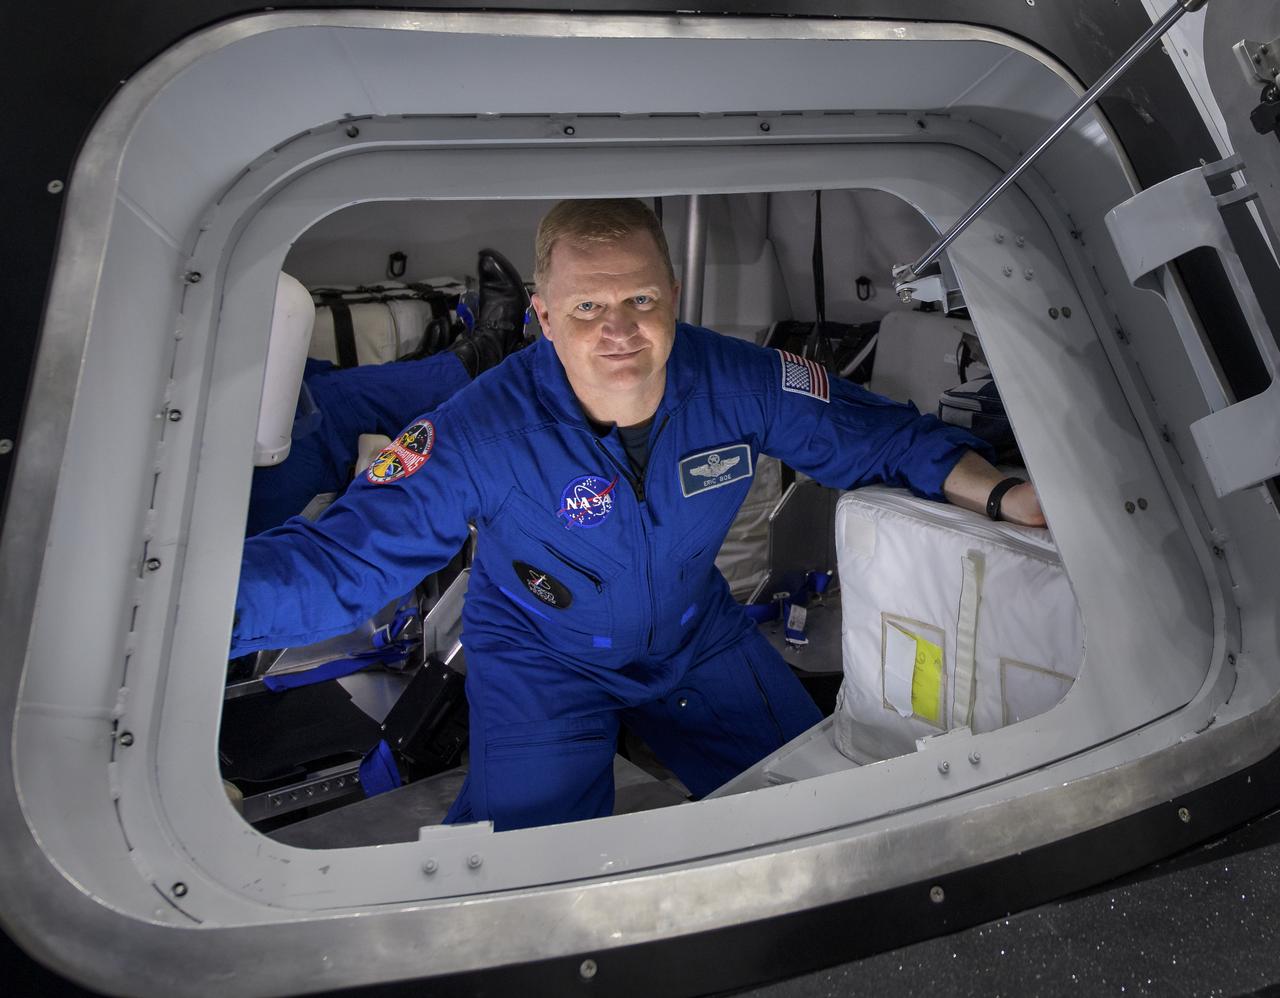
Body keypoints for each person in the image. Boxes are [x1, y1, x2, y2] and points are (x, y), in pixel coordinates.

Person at [232, 198, 1044, 831]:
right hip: (539, 655)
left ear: (674, 297)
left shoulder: (739, 379)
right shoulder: (481, 430)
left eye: (641, 297)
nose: (619, 328)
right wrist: (160, 617)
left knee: (821, 806)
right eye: (587, 308)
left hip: (696, 635)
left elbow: (871, 432)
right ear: (544, 319)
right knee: (533, 873)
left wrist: (1005, 495)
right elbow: (343, 563)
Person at [244, 251, 530, 536]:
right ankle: (480, 360)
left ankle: (424, 373)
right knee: (328, 402)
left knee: (290, 374)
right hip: (245, 512)